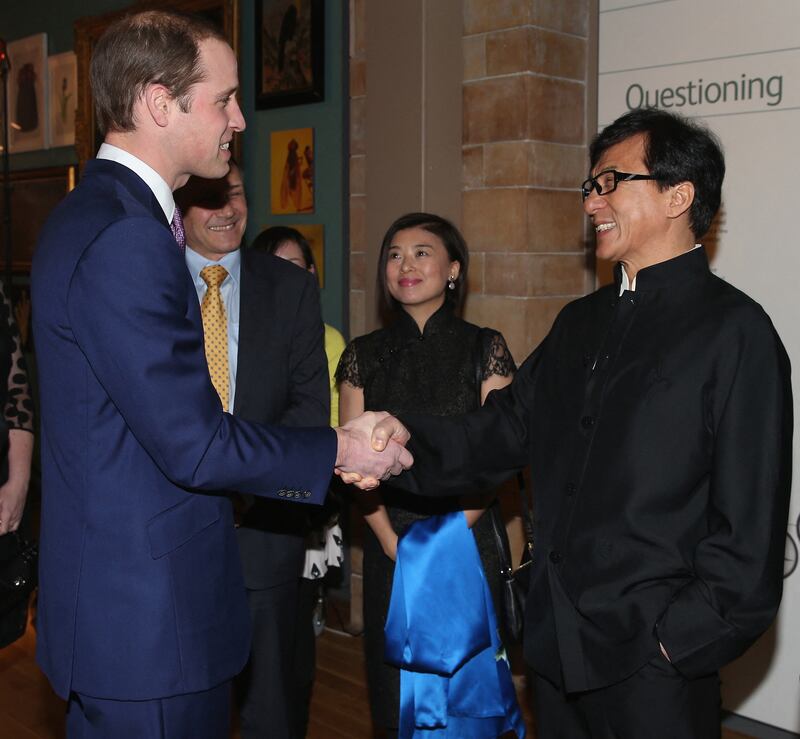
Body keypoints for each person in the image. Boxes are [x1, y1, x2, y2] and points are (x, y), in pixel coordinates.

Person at [30, 10, 410, 738]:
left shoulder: (89, 212)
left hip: (117, 616)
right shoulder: (126, 236)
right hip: (150, 629)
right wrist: (342, 448)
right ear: (157, 102)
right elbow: (194, 444)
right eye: (223, 98)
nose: (239, 118)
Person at [364, 109, 793, 739]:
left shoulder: (737, 334)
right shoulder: (579, 323)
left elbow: (749, 532)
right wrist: (399, 439)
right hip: (557, 651)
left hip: (656, 667)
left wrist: (673, 646)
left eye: (610, 182)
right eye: (590, 186)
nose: (592, 203)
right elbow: (499, 433)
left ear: (679, 195)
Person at [336, 213, 522, 737]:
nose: (406, 265)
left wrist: (447, 535)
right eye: (394, 255)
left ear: (454, 269)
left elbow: (500, 454)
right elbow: (350, 465)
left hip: (468, 538)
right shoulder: (362, 356)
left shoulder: (485, 347)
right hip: (388, 543)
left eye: (422, 252)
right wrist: (393, 543)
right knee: (395, 689)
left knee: (471, 691)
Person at [175, 166, 329, 739]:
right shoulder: (150, 283)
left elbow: (309, 410)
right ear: (177, 210)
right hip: (170, 537)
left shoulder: (289, 288)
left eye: (234, 194)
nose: (226, 209)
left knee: (270, 709)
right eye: (208, 199)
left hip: (263, 534)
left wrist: (243, 485)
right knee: (183, 707)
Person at [251, 225, 346, 737]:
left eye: (297, 266)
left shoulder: (328, 339)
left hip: (307, 499)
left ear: (312, 274)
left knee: (292, 631)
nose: (288, 277)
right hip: (252, 501)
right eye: (274, 267)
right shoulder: (241, 337)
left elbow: (325, 426)